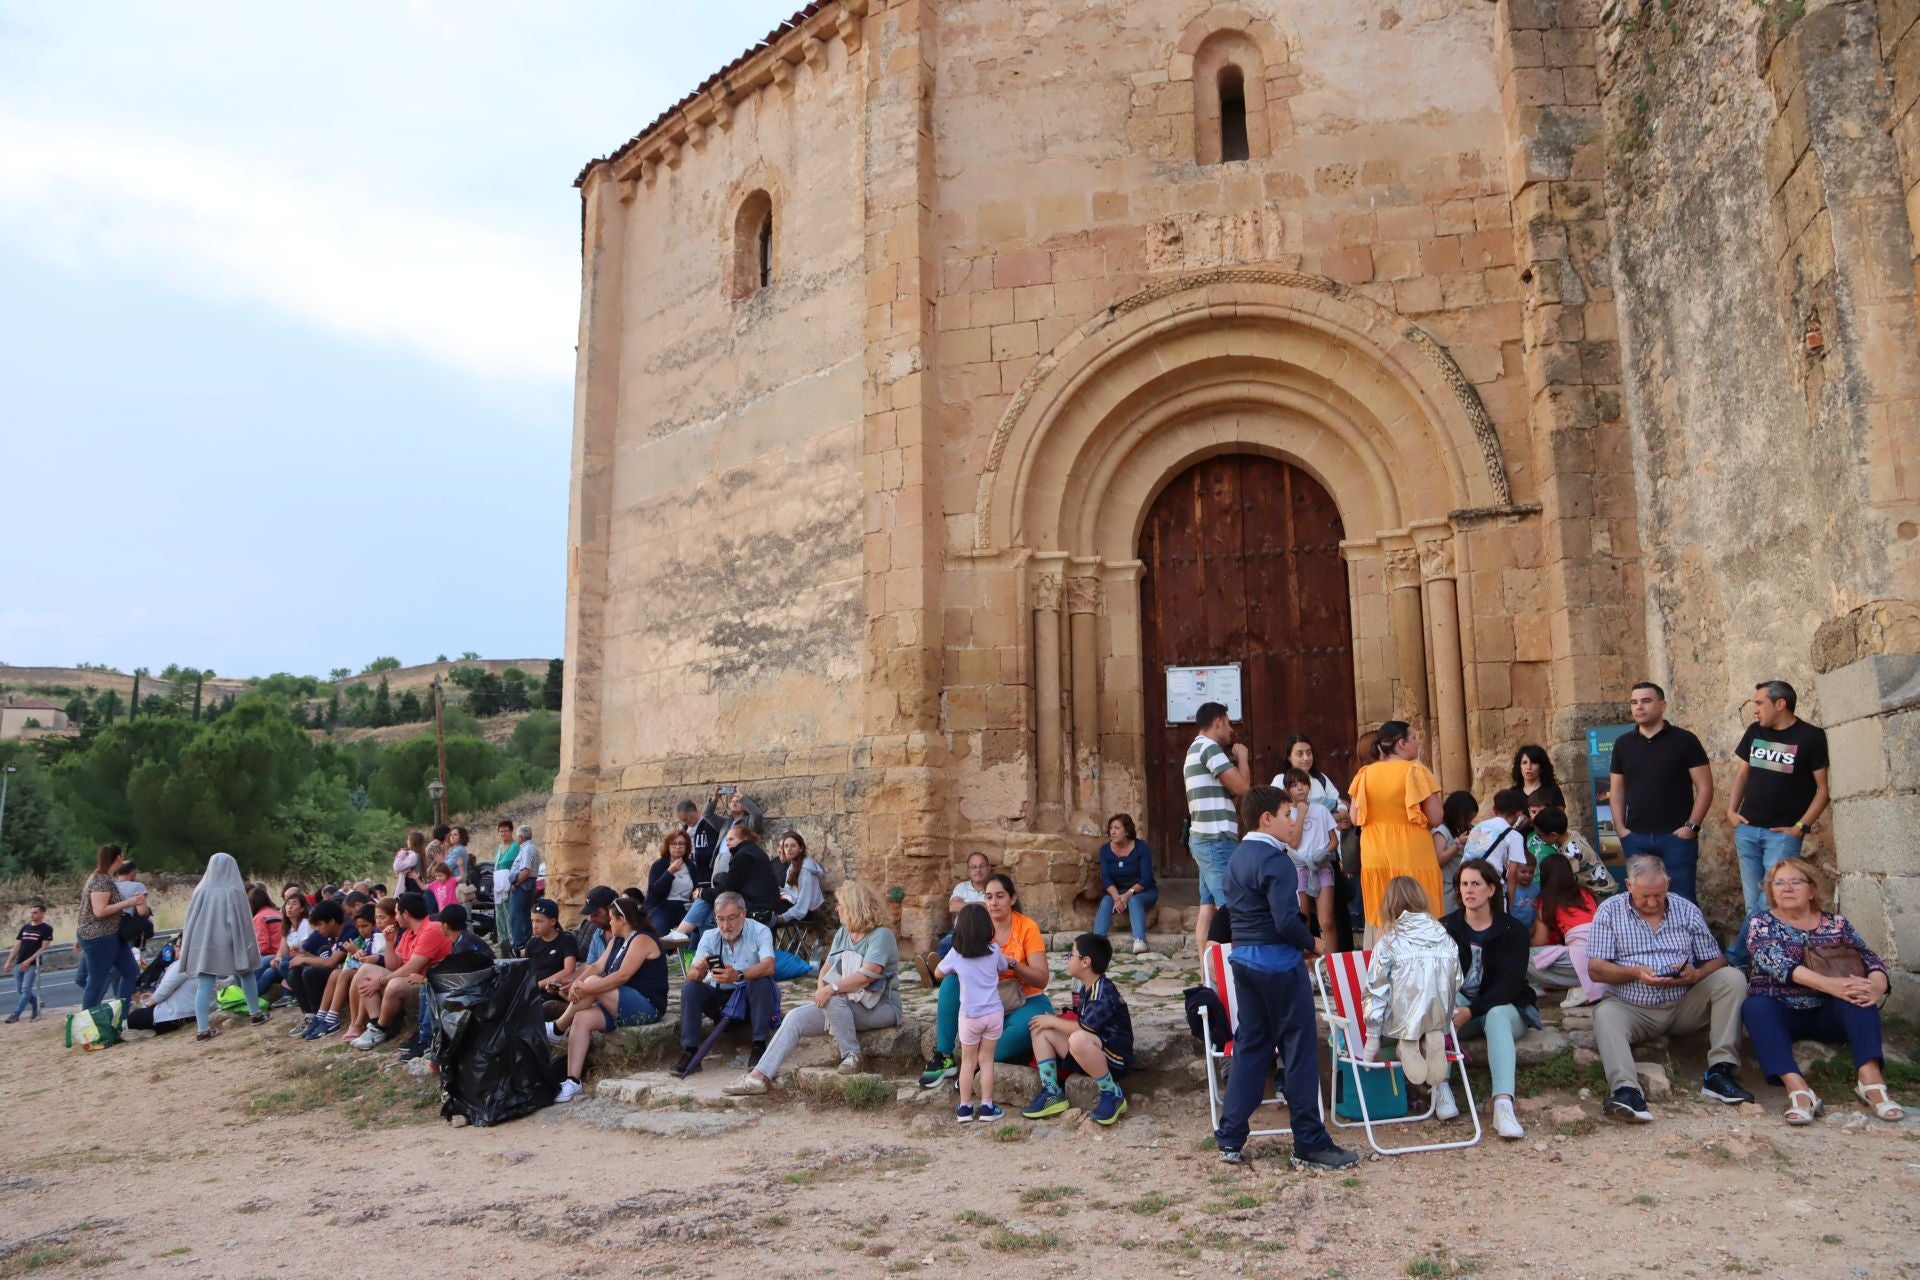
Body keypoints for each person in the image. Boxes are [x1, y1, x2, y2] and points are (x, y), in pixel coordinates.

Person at [1212, 785, 1357, 1170]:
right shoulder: (1275, 860)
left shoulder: (1238, 857)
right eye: (1288, 814)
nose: (1293, 822)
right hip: (1278, 964)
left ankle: (1229, 1138)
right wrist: (1314, 942)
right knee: (1299, 1051)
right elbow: (1284, 919)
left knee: (1251, 1047)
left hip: (1243, 960)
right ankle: (1309, 1143)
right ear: (1267, 819)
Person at [1588, 855, 1753, 1122]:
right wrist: (1635, 973)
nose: (1653, 903)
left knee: (1732, 978)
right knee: (1605, 1014)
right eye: (1645, 897)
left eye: (1659, 895)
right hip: (1632, 1008)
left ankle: (1719, 1072)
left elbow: (1717, 959)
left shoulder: (1686, 909)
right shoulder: (1609, 911)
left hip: (1682, 1004)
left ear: (1668, 884)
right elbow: (1596, 969)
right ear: (1629, 885)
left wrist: (1696, 973)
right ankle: (1627, 1091)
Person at [1740, 859, 1901, 1123]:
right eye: (1779, 883)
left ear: (1812, 890)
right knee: (1755, 1007)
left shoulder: (1836, 923)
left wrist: (1875, 987)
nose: (1786, 888)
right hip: (1782, 1009)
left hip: (1828, 1013)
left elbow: (1870, 958)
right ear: (1771, 892)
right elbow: (1778, 963)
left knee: (1858, 997)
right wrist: (1833, 986)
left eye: (1795, 882)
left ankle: (1870, 1081)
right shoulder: (1761, 923)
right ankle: (1799, 1089)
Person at [724, 880, 902, 1095]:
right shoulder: (844, 933)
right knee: (795, 1017)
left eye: (840, 905)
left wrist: (831, 990)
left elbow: (867, 975)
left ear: (855, 906)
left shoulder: (881, 935)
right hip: (845, 1002)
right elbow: (826, 968)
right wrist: (822, 989)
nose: (837, 909)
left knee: (834, 997)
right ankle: (758, 1077)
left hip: (880, 1008)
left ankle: (852, 1055)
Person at [1726, 680, 1830, 964]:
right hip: (1747, 830)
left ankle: (1736, 960)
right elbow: (1742, 775)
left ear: (1780, 704)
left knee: (1765, 903)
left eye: (1760, 703)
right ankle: (1761, 964)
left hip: (1782, 835)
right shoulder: (1755, 732)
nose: (1755, 710)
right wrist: (1731, 812)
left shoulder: (1811, 737)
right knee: (1754, 905)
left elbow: (1823, 789)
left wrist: (1800, 828)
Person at [917, 873, 1053, 1087]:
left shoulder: (1027, 927)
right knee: (951, 982)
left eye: (1000, 896)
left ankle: (975, 1065)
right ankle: (944, 1056)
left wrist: (1013, 964)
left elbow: (1041, 979)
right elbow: (955, 960)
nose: (993, 902)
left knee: (1006, 1043)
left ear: (1013, 898)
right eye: (989, 897)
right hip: (984, 1000)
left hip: (1024, 999)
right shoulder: (977, 924)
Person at [1441, 860, 1535, 1139]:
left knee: (1495, 1015)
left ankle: (1503, 1105)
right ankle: (1441, 1087)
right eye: (1464, 884)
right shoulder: (1445, 927)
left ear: (1491, 889)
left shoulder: (1512, 930)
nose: (1468, 890)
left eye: (1476, 884)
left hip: (1506, 1008)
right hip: (1461, 1009)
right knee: (1442, 1000)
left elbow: (1509, 984)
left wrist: (1472, 1010)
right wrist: (1461, 1008)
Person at [549, 897, 667, 1102]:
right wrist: (577, 984)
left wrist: (586, 986)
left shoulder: (642, 939)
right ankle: (572, 1081)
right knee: (582, 1018)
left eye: (612, 918)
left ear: (622, 919)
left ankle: (558, 1028)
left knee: (594, 983)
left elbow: (622, 976)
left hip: (646, 1005)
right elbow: (596, 966)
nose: (609, 923)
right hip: (620, 1001)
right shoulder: (617, 939)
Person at [1607, 682, 1713, 904]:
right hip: (1636, 837)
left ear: (1662, 705)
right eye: (1634, 702)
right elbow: (1617, 790)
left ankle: (1684, 940)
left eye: (1646, 701)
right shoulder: (1623, 744)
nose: (1639, 707)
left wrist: (1691, 827)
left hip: (1676, 837)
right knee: (1641, 901)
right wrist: (1620, 828)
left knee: (1682, 900)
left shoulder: (1685, 740)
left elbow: (1705, 787)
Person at [1359, 877, 1462, 1095]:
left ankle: (1406, 1043)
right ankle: (1428, 1039)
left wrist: (1372, 1039)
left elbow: (1375, 992)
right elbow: (1457, 980)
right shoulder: (1445, 938)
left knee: (1398, 1005)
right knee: (1428, 1013)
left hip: (1401, 1020)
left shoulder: (1388, 943)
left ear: (1389, 905)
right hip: (1438, 1016)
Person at [1021, 933, 1135, 1125]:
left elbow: (1085, 1028)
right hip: (1088, 1053)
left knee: (1077, 1038)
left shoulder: (1103, 991)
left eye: (1071, 954)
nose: (1068, 959)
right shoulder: (1086, 987)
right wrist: (1048, 1022)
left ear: (1085, 961)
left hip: (1113, 1058)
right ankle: (1052, 1092)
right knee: (1040, 1028)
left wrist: (1053, 1021)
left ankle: (1112, 1094)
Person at [1348, 720, 1446, 941]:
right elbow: (1437, 817)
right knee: (1420, 913)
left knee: (1383, 918)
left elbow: (1355, 817)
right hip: (1411, 852)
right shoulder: (1415, 771)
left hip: (1375, 853)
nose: (1417, 742)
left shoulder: (1364, 773)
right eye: (1414, 738)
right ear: (1401, 743)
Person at [671, 892, 779, 1076]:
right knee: (691, 987)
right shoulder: (710, 936)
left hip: (749, 999)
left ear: (743, 914)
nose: (725, 926)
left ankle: (759, 1046)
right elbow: (691, 975)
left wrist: (738, 976)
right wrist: (700, 969)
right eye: (720, 919)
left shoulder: (760, 931)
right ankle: (690, 1051)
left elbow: (769, 966)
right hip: (721, 1001)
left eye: (731, 918)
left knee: (761, 982)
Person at [1185, 701, 1254, 959]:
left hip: (1205, 838)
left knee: (1207, 907)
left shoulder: (1195, 748)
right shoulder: (1210, 748)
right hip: (1216, 840)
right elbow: (1242, 787)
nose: (1232, 730)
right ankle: (1228, 969)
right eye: (1229, 722)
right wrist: (1243, 758)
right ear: (1218, 722)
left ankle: (1206, 974)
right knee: (1231, 905)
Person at [179, 852, 270, 1042]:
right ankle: (255, 1013)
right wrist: (246, 948)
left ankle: (202, 1029)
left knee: (205, 984)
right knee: (246, 974)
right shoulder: (234, 891)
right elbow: (242, 923)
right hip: (231, 942)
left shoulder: (200, 890)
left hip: (204, 945)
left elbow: (191, 921)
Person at [935, 903, 1008, 1123]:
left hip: (970, 1016)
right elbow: (1004, 967)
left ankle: (965, 1108)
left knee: (968, 1062)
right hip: (994, 1012)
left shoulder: (957, 953)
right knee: (986, 1061)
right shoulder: (994, 949)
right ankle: (987, 1106)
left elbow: (938, 972)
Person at [349, 892, 451, 1050]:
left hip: (428, 984)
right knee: (365, 970)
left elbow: (411, 968)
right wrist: (389, 942)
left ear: (406, 914)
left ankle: (382, 1027)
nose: (395, 917)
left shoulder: (431, 930)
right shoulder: (409, 933)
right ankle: (376, 1023)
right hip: (412, 980)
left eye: (396, 913)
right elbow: (393, 966)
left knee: (394, 984)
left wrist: (381, 981)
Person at [78, 844, 145, 1009]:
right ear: (118, 858)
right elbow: (99, 911)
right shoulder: (101, 881)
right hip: (99, 936)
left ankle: (121, 1015)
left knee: (131, 972)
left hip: (113, 934)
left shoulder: (103, 878)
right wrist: (128, 903)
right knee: (97, 979)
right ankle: (88, 1020)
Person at [1529, 854, 1603, 1004]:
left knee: (1521, 957)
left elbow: (1539, 941)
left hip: (1580, 959)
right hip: (1604, 957)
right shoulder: (1586, 893)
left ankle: (1580, 985)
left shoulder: (1546, 899)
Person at [1280, 771, 1339, 955]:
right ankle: (1307, 968)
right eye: (1294, 785)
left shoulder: (1321, 810)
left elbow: (1333, 840)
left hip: (1321, 866)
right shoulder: (1286, 814)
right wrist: (1301, 814)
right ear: (1287, 790)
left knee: (1326, 920)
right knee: (1302, 919)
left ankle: (1333, 966)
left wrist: (1324, 852)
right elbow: (1291, 843)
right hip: (1298, 868)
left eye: (1303, 783)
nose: (1300, 788)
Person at [282, 898, 357, 1038]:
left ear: (332, 922)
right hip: (334, 972)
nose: (317, 930)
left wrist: (305, 959)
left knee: (310, 972)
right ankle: (310, 1015)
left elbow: (330, 963)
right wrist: (306, 955)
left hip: (343, 974)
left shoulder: (349, 933)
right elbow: (325, 960)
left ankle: (321, 1016)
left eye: (320, 925)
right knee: (294, 971)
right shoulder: (332, 935)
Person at [919, 851, 994, 985]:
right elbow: (953, 907)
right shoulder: (961, 887)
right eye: (974, 867)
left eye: (982, 866)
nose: (978, 870)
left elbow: (991, 908)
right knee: (945, 944)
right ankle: (934, 973)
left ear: (988, 868)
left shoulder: (993, 887)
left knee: (952, 948)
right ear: (968, 870)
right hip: (960, 930)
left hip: (983, 932)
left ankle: (934, 975)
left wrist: (964, 904)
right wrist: (980, 905)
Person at [1092, 813, 1158, 955]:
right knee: (1106, 901)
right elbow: (1106, 879)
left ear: (1127, 831)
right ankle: (1097, 942)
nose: (1112, 832)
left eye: (1117, 828)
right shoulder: (1105, 850)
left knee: (1134, 900)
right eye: (1111, 828)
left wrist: (1127, 895)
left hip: (1142, 891)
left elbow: (1146, 879)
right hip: (1116, 891)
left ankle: (1139, 941)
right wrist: (1117, 897)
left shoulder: (1141, 848)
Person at [710, 822, 780, 919]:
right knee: (708, 909)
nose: (727, 843)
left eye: (731, 839)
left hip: (757, 910)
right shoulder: (755, 851)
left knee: (708, 908)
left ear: (744, 839)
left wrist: (702, 893)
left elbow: (728, 889)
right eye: (726, 840)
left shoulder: (743, 857)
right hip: (764, 906)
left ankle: (683, 931)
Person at [3, 902, 53, 1022]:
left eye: (35, 912)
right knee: (20, 990)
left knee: (26, 989)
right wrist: (9, 961)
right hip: (20, 962)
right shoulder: (25, 927)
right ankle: (36, 1003)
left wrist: (29, 960)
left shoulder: (46, 929)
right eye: (31, 912)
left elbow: (44, 947)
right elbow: (17, 945)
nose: (32, 915)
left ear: (42, 913)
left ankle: (16, 1014)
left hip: (32, 964)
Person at [645, 829, 698, 936]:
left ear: (686, 846)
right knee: (659, 931)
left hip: (684, 907)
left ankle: (690, 952)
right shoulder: (659, 865)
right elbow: (654, 892)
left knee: (695, 932)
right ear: (668, 846)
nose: (678, 847)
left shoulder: (691, 866)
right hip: (662, 907)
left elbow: (695, 890)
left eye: (681, 844)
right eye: (674, 844)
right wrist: (670, 872)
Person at [526, 898, 580, 997]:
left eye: (539, 921)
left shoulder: (566, 940)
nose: (534, 926)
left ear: (552, 921)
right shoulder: (532, 944)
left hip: (556, 987)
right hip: (534, 991)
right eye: (532, 921)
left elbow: (569, 970)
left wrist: (538, 985)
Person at [772, 831, 824, 925]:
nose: (789, 849)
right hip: (795, 906)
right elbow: (790, 894)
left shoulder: (806, 869)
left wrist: (783, 918)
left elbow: (803, 904)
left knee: (767, 911)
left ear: (801, 848)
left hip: (807, 912)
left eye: (793, 846)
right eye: (786, 846)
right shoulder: (793, 865)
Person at [507, 824, 540, 954]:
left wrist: (516, 884)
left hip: (523, 885)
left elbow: (526, 871)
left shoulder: (527, 849)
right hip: (528, 884)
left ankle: (519, 944)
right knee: (525, 914)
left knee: (517, 915)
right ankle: (525, 942)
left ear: (520, 837)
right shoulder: (532, 848)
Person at [575, 885, 617, 966]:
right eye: (591, 915)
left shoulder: (625, 935)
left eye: (596, 914)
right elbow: (590, 966)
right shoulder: (598, 933)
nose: (592, 920)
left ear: (611, 909)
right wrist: (563, 978)